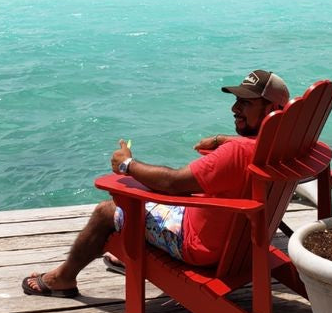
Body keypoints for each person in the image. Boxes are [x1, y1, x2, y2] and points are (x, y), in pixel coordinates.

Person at [22, 69, 290, 298]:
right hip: (241, 242)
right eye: (236, 101)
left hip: (200, 247)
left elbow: (173, 183)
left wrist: (127, 164)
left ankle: (64, 278)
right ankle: (129, 252)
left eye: (245, 103)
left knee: (107, 210)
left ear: (272, 110)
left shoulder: (237, 154)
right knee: (144, 199)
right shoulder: (286, 145)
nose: (235, 109)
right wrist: (222, 138)